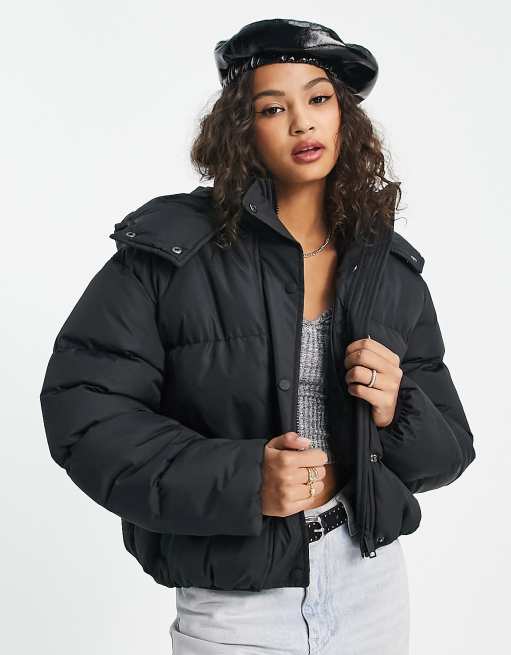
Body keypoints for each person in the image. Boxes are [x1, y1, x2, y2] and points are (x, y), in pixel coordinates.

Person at [39, 17, 476, 655]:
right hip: (239, 597)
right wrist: (246, 479)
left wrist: (396, 407)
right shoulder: (170, 254)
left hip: (370, 582)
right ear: (241, 130)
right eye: (274, 108)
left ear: (344, 117)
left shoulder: (386, 265)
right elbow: (84, 412)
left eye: (318, 99)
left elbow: (450, 452)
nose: (302, 123)